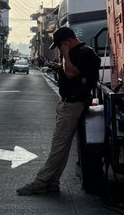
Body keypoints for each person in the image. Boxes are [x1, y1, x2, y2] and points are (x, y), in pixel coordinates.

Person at [16, 26, 99, 196]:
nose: (60, 50)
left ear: (67, 42)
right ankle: (52, 181)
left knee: (58, 146)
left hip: (73, 104)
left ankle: (41, 181)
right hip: (70, 103)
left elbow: (71, 73)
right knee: (62, 145)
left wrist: (66, 54)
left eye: (60, 46)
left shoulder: (83, 53)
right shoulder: (79, 53)